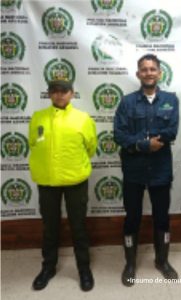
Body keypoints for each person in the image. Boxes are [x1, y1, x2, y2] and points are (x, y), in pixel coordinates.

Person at [114, 54, 179, 286]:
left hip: (160, 171)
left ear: (159, 73)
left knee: (162, 218)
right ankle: (130, 264)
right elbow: (119, 135)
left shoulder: (171, 100)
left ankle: (162, 261)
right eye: (144, 69)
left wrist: (139, 141)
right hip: (133, 171)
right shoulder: (127, 102)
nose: (149, 72)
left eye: (153, 69)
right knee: (132, 218)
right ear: (138, 74)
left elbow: (172, 131)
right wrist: (145, 144)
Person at [28, 79, 97, 291]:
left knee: (78, 226)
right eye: (54, 91)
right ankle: (48, 267)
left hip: (75, 180)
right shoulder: (38, 117)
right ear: (49, 94)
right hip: (47, 181)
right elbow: (33, 143)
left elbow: (91, 147)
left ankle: (83, 269)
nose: (59, 95)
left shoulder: (83, 119)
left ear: (72, 94)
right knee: (50, 226)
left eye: (63, 91)